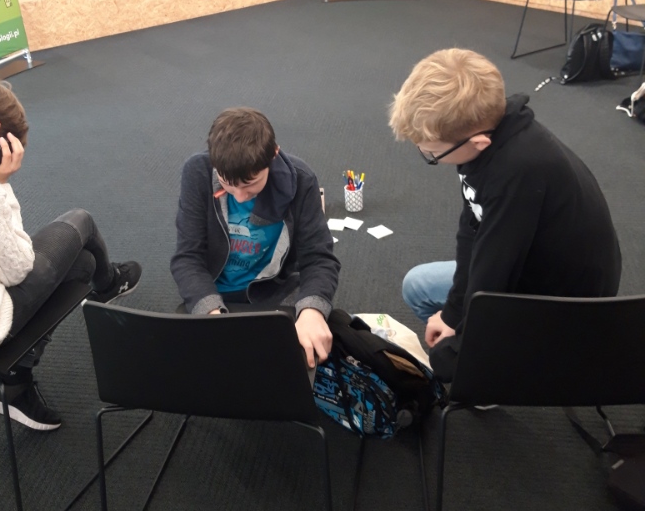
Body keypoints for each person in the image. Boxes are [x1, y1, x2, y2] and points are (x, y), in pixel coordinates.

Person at [389, 48, 621, 381]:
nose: (428, 156)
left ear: (479, 142)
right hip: (528, 267)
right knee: (418, 286)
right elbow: (471, 230)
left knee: (446, 361)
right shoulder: (486, 141)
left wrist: (457, 351)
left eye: (432, 154)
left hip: (565, 307)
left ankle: (500, 376)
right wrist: (453, 314)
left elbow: (494, 278)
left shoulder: (518, 172)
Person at [0, 77, 142, 431]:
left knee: (81, 264)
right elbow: (17, 268)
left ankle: (17, 382)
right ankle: (108, 284)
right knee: (80, 222)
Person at [170, 107, 340, 369]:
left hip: (273, 293)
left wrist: (312, 311)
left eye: (250, 184)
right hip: (213, 291)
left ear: (272, 156)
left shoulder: (301, 180)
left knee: (289, 367)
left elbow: (319, 259)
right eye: (227, 183)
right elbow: (187, 258)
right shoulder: (197, 172)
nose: (239, 196)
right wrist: (211, 311)